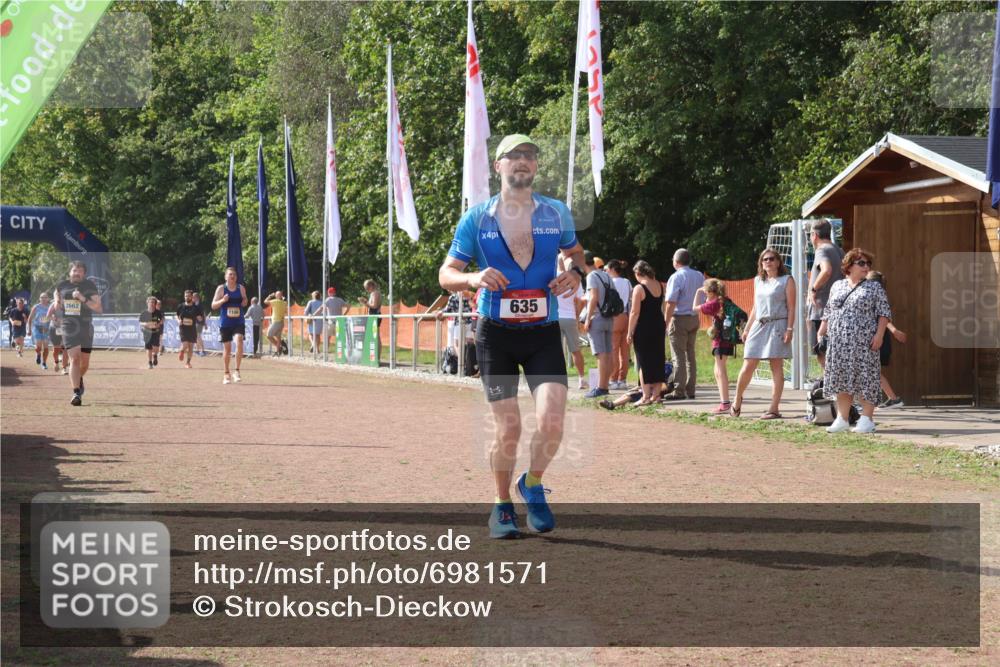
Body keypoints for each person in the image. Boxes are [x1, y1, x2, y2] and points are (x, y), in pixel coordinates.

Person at [438, 133, 586, 539]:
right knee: (509, 429)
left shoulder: (556, 212)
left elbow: (575, 253)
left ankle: (532, 483)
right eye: (514, 155)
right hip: (496, 336)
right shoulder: (477, 218)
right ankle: (502, 505)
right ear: (498, 165)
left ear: (536, 166)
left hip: (542, 333)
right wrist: (473, 277)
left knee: (552, 421)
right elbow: (446, 274)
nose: (523, 161)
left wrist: (575, 273)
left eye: (530, 156)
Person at [818, 249, 891, 434]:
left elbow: (884, 313)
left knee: (866, 378)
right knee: (841, 379)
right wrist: (822, 331)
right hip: (839, 342)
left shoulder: (874, 287)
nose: (866, 267)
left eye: (868, 264)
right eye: (862, 263)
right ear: (849, 266)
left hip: (864, 342)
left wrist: (879, 335)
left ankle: (867, 419)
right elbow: (829, 310)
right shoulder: (837, 285)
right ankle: (842, 419)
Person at [731, 249, 796, 419]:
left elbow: (791, 307)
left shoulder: (786, 280)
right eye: (764, 259)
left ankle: (774, 408)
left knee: (776, 366)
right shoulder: (758, 281)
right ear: (761, 263)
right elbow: (755, 307)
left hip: (778, 325)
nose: (768, 262)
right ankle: (737, 400)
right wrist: (746, 329)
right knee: (748, 364)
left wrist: (789, 329)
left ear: (778, 262)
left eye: (771, 259)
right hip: (759, 325)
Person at [53, 261, 103, 406]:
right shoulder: (62, 285)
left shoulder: (89, 286)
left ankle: (78, 378)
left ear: (84, 274)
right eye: (74, 270)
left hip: (85, 326)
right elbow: (56, 291)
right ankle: (76, 393)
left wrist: (82, 298)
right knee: (74, 358)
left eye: (80, 271)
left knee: (84, 363)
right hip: (69, 326)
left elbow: (98, 307)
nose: (77, 273)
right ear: (70, 272)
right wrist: (56, 300)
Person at [662, 249, 705, 401]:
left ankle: (679, 390)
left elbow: (671, 302)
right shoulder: (699, 275)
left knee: (678, 355)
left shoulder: (676, 277)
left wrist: (666, 322)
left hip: (679, 318)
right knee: (690, 355)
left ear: (676, 261)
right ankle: (690, 389)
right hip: (694, 317)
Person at [693, 279, 738, 415]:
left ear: (711, 292)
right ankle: (724, 401)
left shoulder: (714, 303)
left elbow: (695, 308)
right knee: (717, 370)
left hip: (720, 340)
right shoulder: (724, 300)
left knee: (720, 371)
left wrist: (698, 292)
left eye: (706, 292)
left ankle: (725, 403)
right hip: (727, 339)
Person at [626, 260, 666, 406]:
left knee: (644, 361)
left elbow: (634, 312)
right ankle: (656, 395)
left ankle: (645, 396)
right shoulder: (660, 285)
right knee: (657, 359)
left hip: (644, 327)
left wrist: (629, 332)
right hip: (658, 325)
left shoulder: (639, 288)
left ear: (638, 273)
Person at [807, 219, 845, 368]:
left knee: (822, 351)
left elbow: (826, 270)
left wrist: (813, 289)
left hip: (822, 309)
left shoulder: (822, 250)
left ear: (814, 235)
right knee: (834, 352)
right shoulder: (839, 250)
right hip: (837, 309)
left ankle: (830, 382)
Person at [866, 270, 906, 409]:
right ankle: (892, 398)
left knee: (872, 370)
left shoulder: (874, 296)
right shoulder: (878, 295)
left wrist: (894, 330)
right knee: (872, 371)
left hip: (876, 338)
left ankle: (893, 399)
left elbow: (883, 318)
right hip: (878, 337)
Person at [583, 252, 614, 398]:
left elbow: (593, 297)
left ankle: (601, 388)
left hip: (597, 317)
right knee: (607, 353)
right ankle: (605, 385)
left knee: (600, 354)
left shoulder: (591, 276)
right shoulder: (606, 275)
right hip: (609, 317)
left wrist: (588, 318)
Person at [212, 267, 248, 384]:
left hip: (238, 321)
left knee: (239, 341)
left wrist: (244, 301)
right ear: (225, 277)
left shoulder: (240, 288)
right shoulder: (221, 288)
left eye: (234, 275)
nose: (232, 276)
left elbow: (245, 300)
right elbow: (213, 305)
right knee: (227, 349)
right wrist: (222, 300)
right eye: (230, 274)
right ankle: (226, 373)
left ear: (236, 277)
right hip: (226, 323)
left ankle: (237, 371)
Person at [556, 256, 587, 390]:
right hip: (570, 317)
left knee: (555, 351)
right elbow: (580, 300)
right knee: (575, 350)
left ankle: (559, 380)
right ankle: (581, 379)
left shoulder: (552, 276)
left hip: (554, 318)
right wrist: (577, 315)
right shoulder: (575, 279)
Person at [607, 259, 633, 390]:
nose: (606, 271)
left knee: (613, 349)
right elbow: (630, 299)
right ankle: (622, 379)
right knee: (625, 351)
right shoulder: (627, 282)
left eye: (607, 269)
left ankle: (613, 379)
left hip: (614, 316)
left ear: (612, 269)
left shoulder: (609, 282)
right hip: (626, 316)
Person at [176, 290, 200, 368]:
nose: (187, 297)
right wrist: (178, 320)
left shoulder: (195, 307)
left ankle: (188, 363)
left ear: (192, 297)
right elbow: (177, 315)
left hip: (192, 329)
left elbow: (199, 317)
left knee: (191, 347)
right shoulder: (180, 306)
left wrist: (200, 318)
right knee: (185, 344)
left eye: (188, 296)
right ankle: (182, 350)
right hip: (183, 328)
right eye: (186, 296)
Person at [27, 293, 52, 369]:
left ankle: (44, 363)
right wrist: (29, 329)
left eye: (45, 297)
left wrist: (50, 319)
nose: (43, 299)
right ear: (39, 299)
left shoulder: (50, 307)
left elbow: (53, 317)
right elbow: (30, 318)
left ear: (48, 299)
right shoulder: (36, 307)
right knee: (38, 346)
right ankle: (38, 354)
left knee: (46, 347)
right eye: (42, 297)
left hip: (46, 329)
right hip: (37, 327)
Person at [138, 296, 164, 369]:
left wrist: (158, 324)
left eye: (153, 302)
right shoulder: (144, 313)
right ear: (147, 303)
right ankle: (150, 363)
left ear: (155, 304)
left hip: (156, 332)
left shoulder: (158, 312)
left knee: (156, 347)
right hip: (147, 332)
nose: (151, 304)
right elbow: (140, 322)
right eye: (150, 302)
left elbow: (161, 320)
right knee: (148, 348)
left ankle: (155, 356)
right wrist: (145, 324)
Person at [264, 291, 287, 355]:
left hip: (276, 322)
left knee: (269, 335)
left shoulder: (275, 301)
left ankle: (279, 347)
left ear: (276, 296)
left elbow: (265, 301)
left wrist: (270, 296)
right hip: (281, 322)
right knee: (278, 337)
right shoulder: (285, 303)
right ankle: (278, 351)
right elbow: (285, 312)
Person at [46, 297, 65, 374]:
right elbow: (47, 317)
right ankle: (56, 362)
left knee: (65, 347)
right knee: (56, 348)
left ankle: (64, 368)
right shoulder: (53, 305)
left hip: (65, 328)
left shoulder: (67, 305)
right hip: (54, 328)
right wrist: (53, 318)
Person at [304, 290, 324, 355]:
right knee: (317, 335)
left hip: (312, 319)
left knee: (311, 334)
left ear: (313, 296)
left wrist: (306, 317)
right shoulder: (322, 303)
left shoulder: (310, 302)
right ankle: (317, 350)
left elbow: (306, 311)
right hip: (320, 320)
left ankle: (313, 345)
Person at [192, 292, 207, 357]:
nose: (192, 298)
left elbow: (204, 314)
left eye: (193, 297)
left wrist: (205, 323)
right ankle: (198, 350)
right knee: (196, 336)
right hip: (195, 322)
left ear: (197, 298)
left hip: (199, 323)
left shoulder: (200, 305)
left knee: (198, 336)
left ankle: (203, 351)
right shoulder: (193, 305)